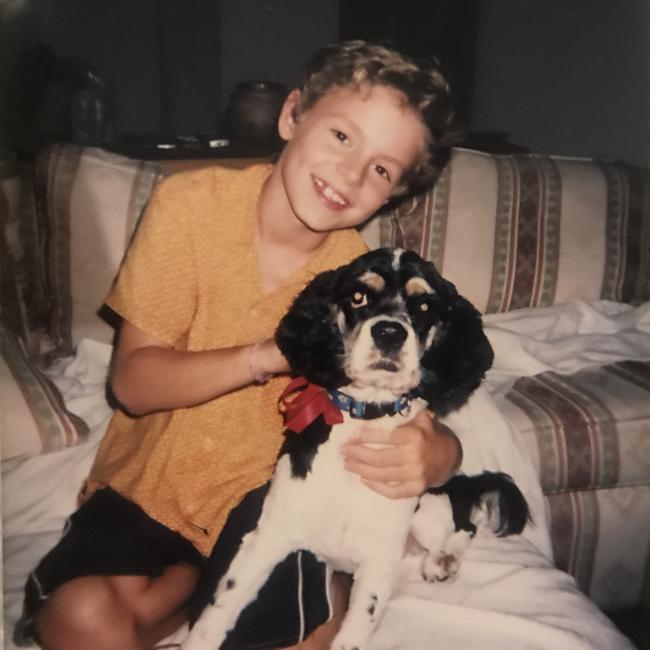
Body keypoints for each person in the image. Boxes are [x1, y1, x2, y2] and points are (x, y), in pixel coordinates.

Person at [16, 40, 462, 650]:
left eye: (382, 169)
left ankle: (294, 588)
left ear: (393, 195)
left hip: (270, 502)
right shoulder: (189, 204)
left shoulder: (362, 281)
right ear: (292, 115)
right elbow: (133, 385)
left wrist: (444, 453)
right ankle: (191, 589)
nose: (352, 173)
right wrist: (269, 355)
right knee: (78, 620)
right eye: (341, 136)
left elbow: (409, 397)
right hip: (154, 482)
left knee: (301, 635)